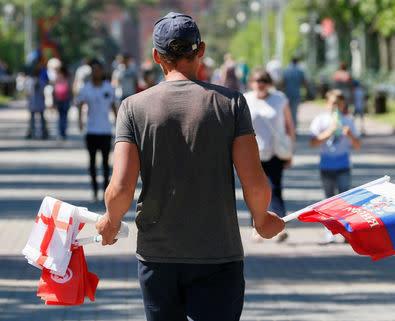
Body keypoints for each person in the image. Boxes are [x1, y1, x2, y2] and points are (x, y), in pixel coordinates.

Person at [94, 12, 285, 321]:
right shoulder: (232, 103)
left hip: (158, 255)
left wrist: (111, 222)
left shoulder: (133, 107)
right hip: (219, 254)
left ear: (156, 56)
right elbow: (255, 182)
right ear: (201, 50)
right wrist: (262, 219)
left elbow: (121, 187)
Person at [244, 68, 295, 243]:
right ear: (251, 82)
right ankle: (256, 229)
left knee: (276, 190)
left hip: (275, 152)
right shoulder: (245, 100)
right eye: (258, 80)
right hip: (252, 154)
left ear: (269, 83)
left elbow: (289, 126)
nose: (261, 84)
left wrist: (290, 151)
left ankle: (281, 227)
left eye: (264, 81)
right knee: (254, 193)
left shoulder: (280, 99)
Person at [309, 89, 361, 244]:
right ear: (327, 104)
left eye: (339, 104)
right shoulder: (320, 120)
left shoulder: (348, 121)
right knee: (328, 200)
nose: (336, 106)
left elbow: (358, 145)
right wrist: (328, 132)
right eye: (333, 103)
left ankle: (345, 232)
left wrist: (350, 134)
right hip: (326, 165)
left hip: (343, 165)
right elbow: (312, 142)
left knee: (345, 200)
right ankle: (330, 232)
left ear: (343, 104)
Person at [77, 59, 117, 202]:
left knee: (106, 162)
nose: (96, 72)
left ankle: (105, 191)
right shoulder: (86, 88)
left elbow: (113, 106)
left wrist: (119, 122)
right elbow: (80, 105)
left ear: (102, 71)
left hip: (105, 130)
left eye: (98, 70)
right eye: (94, 70)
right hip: (91, 130)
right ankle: (94, 190)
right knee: (92, 161)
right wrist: (80, 121)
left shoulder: (109, 88)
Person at [282, 56, 308, 130]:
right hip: (296, 94)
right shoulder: (300, 71)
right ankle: (293, 129)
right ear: (297, 62)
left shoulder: (286, 70)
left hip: (287, 93)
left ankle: (287, 128)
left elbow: (283, 82)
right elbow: (304, 82)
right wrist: (307, 93)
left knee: (285, 112)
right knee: (294, 112)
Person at [25, 67, 49, 139]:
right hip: (40, 102)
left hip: (32, 102)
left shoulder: (29, 82)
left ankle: (32, 132)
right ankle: (43, 132)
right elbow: (44, 92)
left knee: (32, 119)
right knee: (42, 118)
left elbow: (27, 93)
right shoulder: (42, 81)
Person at [52, 66, 71, 140]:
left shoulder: (57, 78)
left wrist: (53, 101)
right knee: (64, 116)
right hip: (65, 99)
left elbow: (54, 90)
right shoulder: (67, 79)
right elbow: (70, 90)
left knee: (60, 116)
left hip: (59, 99)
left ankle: (61, 133)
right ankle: (63, 132)